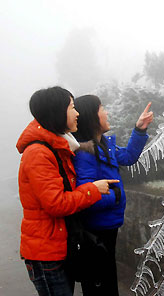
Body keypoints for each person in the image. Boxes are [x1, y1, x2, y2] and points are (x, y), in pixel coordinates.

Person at [16, 86, 119, 296]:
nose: (77, 113)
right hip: (46, 253)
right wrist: (93, 190)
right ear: (57, 112)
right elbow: (56, 204)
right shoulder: (39, 153)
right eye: (72, 107)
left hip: (60, 247)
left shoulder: (59, 147)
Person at [72, 94, 153, 295]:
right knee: (100, 283)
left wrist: (139, 129)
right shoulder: (84, 154)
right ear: (92, 117)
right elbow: (85, 197)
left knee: (107, 280)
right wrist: (116, 196)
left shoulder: (104, 145)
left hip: (109, 225)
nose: (106, 112)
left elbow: (128, 156)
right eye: (102, 108)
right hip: (95, 230)